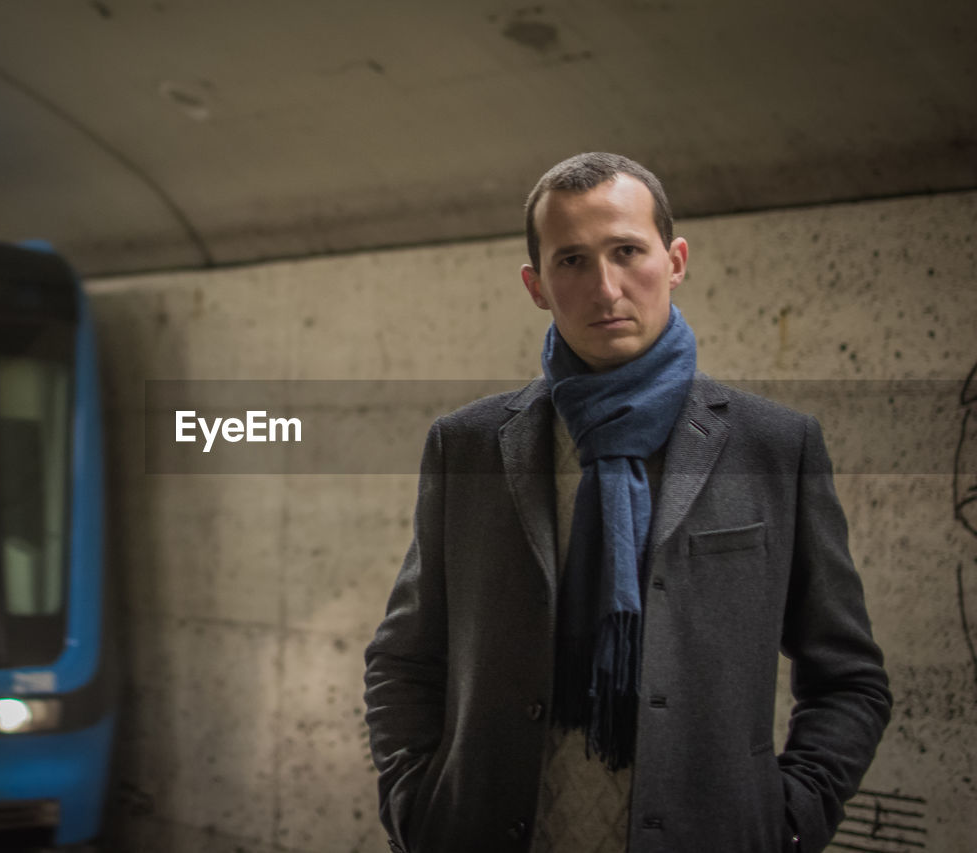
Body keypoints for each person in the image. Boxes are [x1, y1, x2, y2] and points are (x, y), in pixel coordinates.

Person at [363, 152, 891, 853]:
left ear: (674, 260)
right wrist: (416, 806)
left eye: (627, 252)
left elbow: (850, 678)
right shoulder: (468, 446)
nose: (606, 287)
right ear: (536, 285)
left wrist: (787, 820)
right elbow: (405, 657)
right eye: (573, 261)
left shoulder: (773, 445)